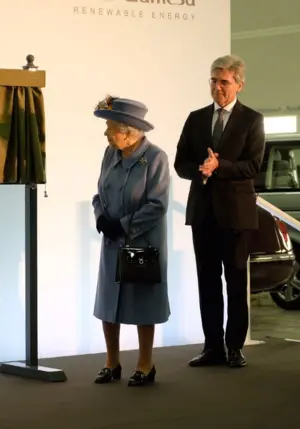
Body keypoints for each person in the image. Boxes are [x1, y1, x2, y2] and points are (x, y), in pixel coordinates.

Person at [173, 54, 265, 369]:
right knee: (208, 281)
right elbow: (180, 162)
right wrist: (201, 169)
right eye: (213, 81)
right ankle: (212, 346)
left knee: (236, 282)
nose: (217, 87)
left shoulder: (252, 120)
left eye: (224, 82)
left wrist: (220, 166)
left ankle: (234, 347)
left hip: (236, 214)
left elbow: (253, 166)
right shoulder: (196, 118)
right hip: (203, 212)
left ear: (239, 84)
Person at [91, 96, 171, 387]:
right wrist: (101, 217)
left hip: (141, 242)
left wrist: (123, 226)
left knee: (141, 304)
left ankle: (145, 365)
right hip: (112, 242)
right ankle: (111, 363)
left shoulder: (156, 158)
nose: (106, 133)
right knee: (108, 303)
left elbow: (157, 205)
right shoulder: (110, 154)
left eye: (110, 126)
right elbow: (99, 193)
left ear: (129, 130)